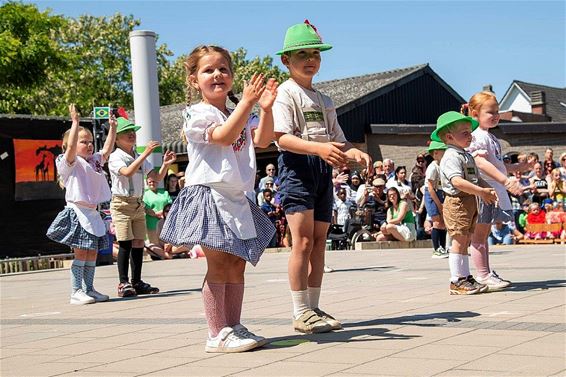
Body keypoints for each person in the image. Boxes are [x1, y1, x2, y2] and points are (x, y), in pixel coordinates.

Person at [160, 45, 277, 353]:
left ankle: (234, 325)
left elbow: (263, 140)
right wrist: (248, 103)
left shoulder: (238, 110)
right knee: (219, 261)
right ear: (193, 80)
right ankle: (216, 332)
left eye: (223, 69)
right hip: (209, 194)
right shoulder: (197, 114)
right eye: (208, 70)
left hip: (236, 195)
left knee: (237, 263)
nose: (217, 75)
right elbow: (223, 136)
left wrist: (263, 109)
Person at [272, 20, 372, 334]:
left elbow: (337, 140)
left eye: (315, 52)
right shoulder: (285, 93)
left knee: (318, 243)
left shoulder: (324, 99)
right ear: (286, 60)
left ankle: (314, 307)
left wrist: (354, 152)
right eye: (301, 53)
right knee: (300, 241)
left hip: (321, 172)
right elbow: (281, 138)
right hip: (296, 168)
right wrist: (319, 149)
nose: (310, 58)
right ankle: (300, 310)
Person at [46, 104, 116, 304]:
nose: (89, 145)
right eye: (83, 142)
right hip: (77, 212)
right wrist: (75, 122)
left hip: (93, 213)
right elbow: (69, 149)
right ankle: (76, 291)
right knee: (81, 252)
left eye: (90, 141)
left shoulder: (94, 160)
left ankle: (89, 289)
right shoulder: (68, 162)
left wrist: (112, 127)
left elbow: (108, 149)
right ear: (72, 145)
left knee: (92, 252)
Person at [463, 92, 531, 291]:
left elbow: (497, 165)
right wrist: (505, 180)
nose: (495, 115)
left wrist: (517, 169)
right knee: (480, 234)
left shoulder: (490, 136)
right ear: (475, 114)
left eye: (497, 111)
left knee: (483, 234)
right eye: (490, 112)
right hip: (486, 190)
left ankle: (486, 272)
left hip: (493, 189)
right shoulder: (477, 136)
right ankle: (483, 275)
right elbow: (479, 161)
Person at [108, 117, 176, 298]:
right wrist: (145, 154)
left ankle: (136, 281)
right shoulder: (116, 157)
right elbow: (127, 172)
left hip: (138, 203)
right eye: (126, 133)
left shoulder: (138, 156)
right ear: (116, 138)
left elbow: (156, 177)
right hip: (121, 203)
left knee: (138, 242)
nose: (131, 135)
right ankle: (123, 282)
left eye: (133, 132)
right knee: (124, 242)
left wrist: (166, 164)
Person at [431, 111, 497, 295]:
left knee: (466, 238)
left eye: (470, 131)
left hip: (470, 200)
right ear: (449, 137)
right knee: (459, 240)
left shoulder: (465, 155)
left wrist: (485, 189)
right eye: (465, 133)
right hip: (457, 202)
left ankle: (465, 276)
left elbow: (475, 179)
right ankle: (457, 279)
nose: (470, 136)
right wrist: (481, 191)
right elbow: (457, 181)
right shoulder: (451, 156)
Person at [424, 140, 448, 258]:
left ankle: (443, 247)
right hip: (432, 195)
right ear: (436, 153)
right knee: (437, 222)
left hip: (440, 192)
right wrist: (439, 205)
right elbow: (430, 189)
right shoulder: (432, 167)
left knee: (442, 223)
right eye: (444, 151)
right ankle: (436, 248)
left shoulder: (441, 166)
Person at [143, 176, 172, 249]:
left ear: (157, 183)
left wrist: (162, 213)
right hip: (152, 221)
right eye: (150, 182)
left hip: (166, 221)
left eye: (154, 181)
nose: (152, 183)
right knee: (155, 244)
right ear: (147, 183)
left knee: (166, 242)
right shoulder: (145, 194)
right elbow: (145, 207)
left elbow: (170, 204)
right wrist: (157, 214)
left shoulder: (165, 192)